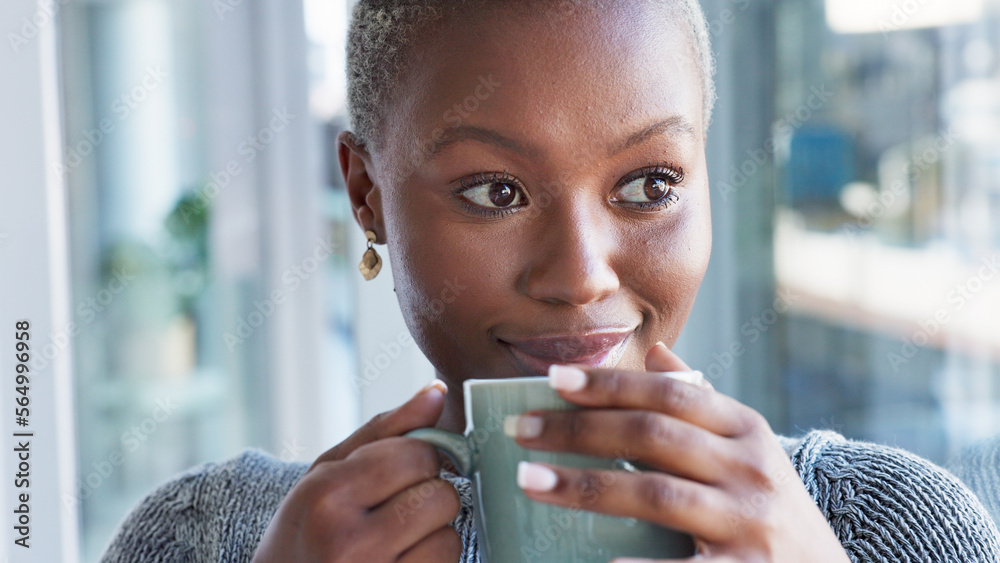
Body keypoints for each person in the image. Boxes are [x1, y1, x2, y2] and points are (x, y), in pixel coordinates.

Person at [100, 0, 1000, 561]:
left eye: (650, 184)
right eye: (496, 191)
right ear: (367, 195)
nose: (579, 274)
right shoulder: (205, 540)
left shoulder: (883, 527)